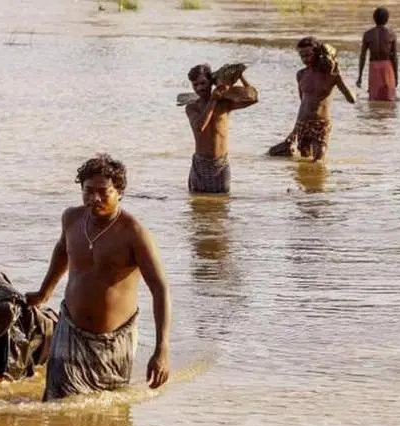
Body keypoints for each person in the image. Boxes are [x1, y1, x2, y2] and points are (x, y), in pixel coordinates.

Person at [25, 153, 172, 402]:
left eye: (104, 192)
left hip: (114, 343)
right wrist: (44, 293)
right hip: (70, 331)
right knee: (58, 408)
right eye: (88, 191)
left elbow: (160, 289)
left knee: (110, 415)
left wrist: (162, 349)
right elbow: (63, 251)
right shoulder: (71, 218)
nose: (94, 198)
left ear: (120, 192)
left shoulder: (134, 234)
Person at [269, 37, 356, 162]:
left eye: (308, 55)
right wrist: (295, 130)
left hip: (321, 124)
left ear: (317, 53)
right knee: (304, 163)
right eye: (302, 56)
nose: (305, 59)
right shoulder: (301, 75)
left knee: (318, 161)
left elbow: (352, 99)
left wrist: (340, 77)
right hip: (303, 124)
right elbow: (303, 103)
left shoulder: (331, 75)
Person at [185, 64, 258, 194]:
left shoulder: (225, 103)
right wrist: (213, 99)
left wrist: (239, 75)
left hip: (221, 164)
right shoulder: (192, 107)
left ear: (211, 82)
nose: (199, 88)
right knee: (197, 208)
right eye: (195, 85)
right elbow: (200, 127)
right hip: (200, 165)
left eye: (203, 83)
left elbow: (253, 98)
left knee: (222, 207)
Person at [356, 7, 398, 101]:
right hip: (387, 67)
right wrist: (396, 76)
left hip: (373, 67)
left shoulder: (367, 34)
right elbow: (394, 57)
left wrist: (360, 76)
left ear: (374, 18)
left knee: (374, 98)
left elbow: (362, 56)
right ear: (387, 19)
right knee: (390, 99)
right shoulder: (391, 34)